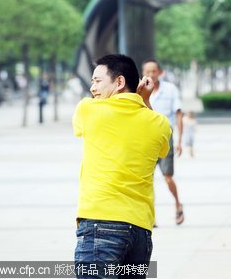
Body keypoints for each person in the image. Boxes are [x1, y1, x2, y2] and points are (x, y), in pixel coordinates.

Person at [72, 54, 171, 279]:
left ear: (119, 82)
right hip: (140, 233)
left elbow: (82, 126)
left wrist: (135, 96)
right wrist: (143, 100)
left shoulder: (88, 110)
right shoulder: (159, 124)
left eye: (97, 80)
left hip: (101, 225)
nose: (92, 88)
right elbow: (162, 149)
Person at [141, 59, 185, 225]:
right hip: (146, 140)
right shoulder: (139, 90)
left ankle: (178, 204)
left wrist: (180, 141)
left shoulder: (170, 89)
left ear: (160, 72)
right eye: (147, 71)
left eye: (154, 71)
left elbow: (179, 114)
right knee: (147, 180)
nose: (151, 74)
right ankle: (151, 217)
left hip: (165, 137)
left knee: (168, 177)